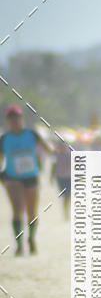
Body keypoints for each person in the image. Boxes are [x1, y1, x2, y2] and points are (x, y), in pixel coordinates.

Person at [0, 105, 54, 255]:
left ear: (21, 119)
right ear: (7, 121)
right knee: (17, 210)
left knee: (31, 212)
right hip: (12, 177)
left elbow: (48, 149)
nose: (15, 121)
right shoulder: (4, 139)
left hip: (30, 176)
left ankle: (31, 239)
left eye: (17, 118)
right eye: (11, 119)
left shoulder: (32, 134)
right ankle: (19, 245)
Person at [51, 139, 72, 219]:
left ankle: (66, 211)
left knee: (68, 195)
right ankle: (65, 210)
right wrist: (51, 177)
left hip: (69, 177)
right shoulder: (56, 155)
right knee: (64, 195)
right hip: (60, 178)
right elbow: (53, 166)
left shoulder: (70, 154)